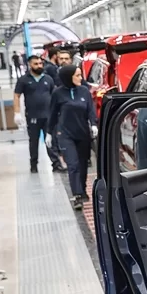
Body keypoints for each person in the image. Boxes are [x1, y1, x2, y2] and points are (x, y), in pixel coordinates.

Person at [46, 64, 98, 210]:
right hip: (65, 134)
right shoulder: (58, 93)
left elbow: (90, 110)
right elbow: (52, 114)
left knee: (82, 164)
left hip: (83, 134)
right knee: (73, 165)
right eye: (78, 75)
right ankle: (77, 195)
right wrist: (49, 133)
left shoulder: (84, 91)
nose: (81, 78)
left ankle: (82, 189)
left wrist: (94, 124)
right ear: (68, 77)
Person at [13, 54, 62, 174]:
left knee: (50, 140)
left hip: (48, 116)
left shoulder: (48, 79)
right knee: (33, 141)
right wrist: (17, 112)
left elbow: (54, 95)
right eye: (36, 64)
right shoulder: (24, 80)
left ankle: (56, 163)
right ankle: (34, 164)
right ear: (30, 65)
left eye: (40, 63)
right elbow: (17, 95)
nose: (39, 66)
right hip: (33, 116)